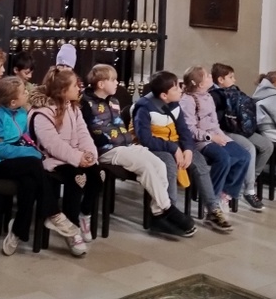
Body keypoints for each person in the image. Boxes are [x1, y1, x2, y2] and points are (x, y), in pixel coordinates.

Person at [81, 64, 196, 237]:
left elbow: (119, 126)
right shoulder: (86, 104)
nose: (117, 83)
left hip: (125, 146)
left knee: (159, 165)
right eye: (113, 80)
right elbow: (87, 132)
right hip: (106, 150)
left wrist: (127, 140)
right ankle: (167, 208)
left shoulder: (114, 102)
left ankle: (157, 215)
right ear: (101, 84)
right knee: (145, 167)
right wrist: (109, 142)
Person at [0, 77, 81, 257]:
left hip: (16, 161)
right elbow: (0, 149)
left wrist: (33, 151)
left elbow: (25, 138)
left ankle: (17, 230)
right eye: (24, 92)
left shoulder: (22, 112)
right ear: (13, 101)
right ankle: (54, 213)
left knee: (30, 183)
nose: (27, 93)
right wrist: (31, 153)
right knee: (33, 163)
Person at [132, 71, 233, 233]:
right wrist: (174, 149)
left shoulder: (175, 104)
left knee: (200, 164)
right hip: (154, 147)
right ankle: (169, 213)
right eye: (176, 88)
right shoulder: (144, 108)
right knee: (169, 164)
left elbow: (184, 130)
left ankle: (213, 210)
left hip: (175, 144)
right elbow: (145, 139)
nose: (181, 90)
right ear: (164, 95)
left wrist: (188, 149)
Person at [28, 67, 100, 251]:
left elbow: (83, 133)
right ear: (62, 90)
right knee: (77, 178)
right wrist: (77, 158)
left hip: (75, 156)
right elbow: (52, 144)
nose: (79, 88)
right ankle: (72, 230)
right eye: (75, 85)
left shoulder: (73, 107)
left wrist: (89, 154)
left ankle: (84, 214)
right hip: (52, 160)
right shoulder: (42, 112)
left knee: (97, 175)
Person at [179, 66, 251, 214]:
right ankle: (212, 198)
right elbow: (190, 129)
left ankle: (225, 193)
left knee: (243, 155)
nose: (211, 77)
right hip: (201, 140)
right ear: (200, 84)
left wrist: (221, 137)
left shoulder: (208, 97)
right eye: (207, 76)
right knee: (223, 158)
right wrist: (211, 137)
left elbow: (214, 123)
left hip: (215, 135)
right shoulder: (188, 100)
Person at [209, 63, 272, 211]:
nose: (234, 80)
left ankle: (249, 178)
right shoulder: (214, 95)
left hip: (239, 128)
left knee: (267, 145)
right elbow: (216, 120)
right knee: (249, 148)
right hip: (224, 130)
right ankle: (249, 191)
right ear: (220, 80)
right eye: (231, 77)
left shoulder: (233, 91)